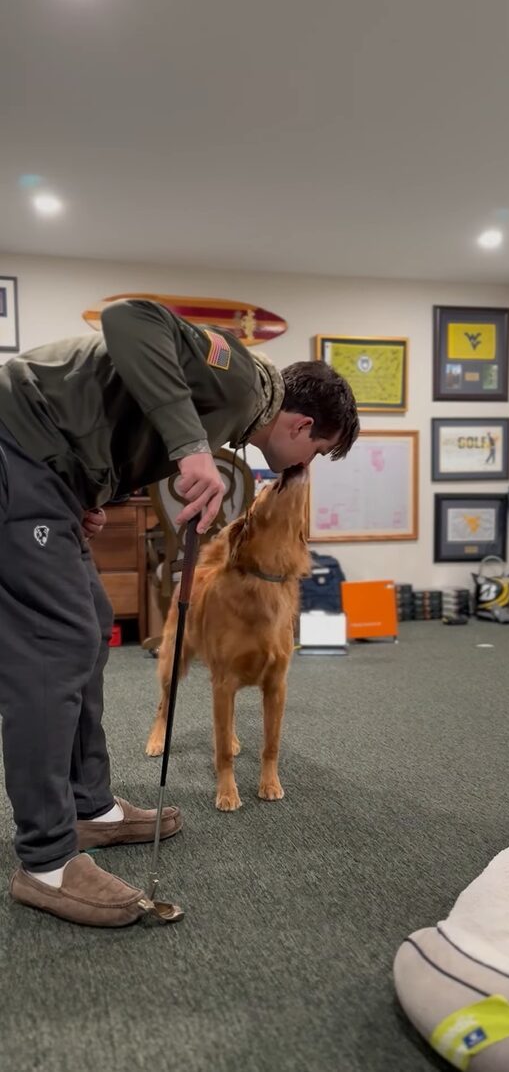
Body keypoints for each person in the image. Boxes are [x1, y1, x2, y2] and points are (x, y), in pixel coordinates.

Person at [0, 298, 359, 927]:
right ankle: (46, 860)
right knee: (55, 645)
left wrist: (90, 494)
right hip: (16, 443)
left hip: (47, 470)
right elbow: (130, 319)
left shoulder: (235, 407)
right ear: (300, 427)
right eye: (319, 452)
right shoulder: (241, 380)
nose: (306, 467)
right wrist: (193, 450)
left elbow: (117, 413)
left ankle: (90, 808)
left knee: (89, 620)